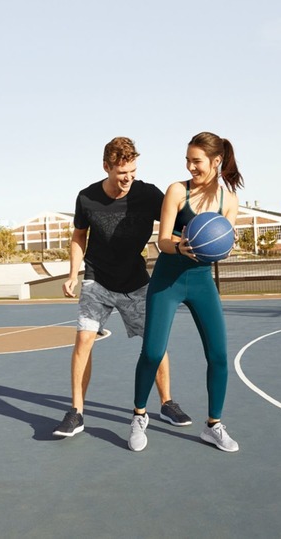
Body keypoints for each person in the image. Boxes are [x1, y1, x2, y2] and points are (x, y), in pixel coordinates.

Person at [53, 136, 192, 437]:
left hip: (135, 281)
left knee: (155, 344)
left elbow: (178, 219)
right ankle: (76, 412)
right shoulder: (87, 198)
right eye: (122, 172)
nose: (128, 178)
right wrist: (73, 273)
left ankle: (167, 403)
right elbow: (79, 236)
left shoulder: (148, 194)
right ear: (106, 167)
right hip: (97, 279)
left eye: (133, 171)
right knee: (84, 340)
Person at [128, 131, 244, 452]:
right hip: (168, 280)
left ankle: (213, 425)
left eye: (197, 161)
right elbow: (162, 240)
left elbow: (221, 247)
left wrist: (227, 245)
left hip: (202, 282)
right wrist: (180, 246)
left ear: (216, 161)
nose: (191, 167)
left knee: (219, 356)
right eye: (188, 161)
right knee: (152, 353)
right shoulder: (178, 191)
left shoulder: (229, 201)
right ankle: (139, 416)